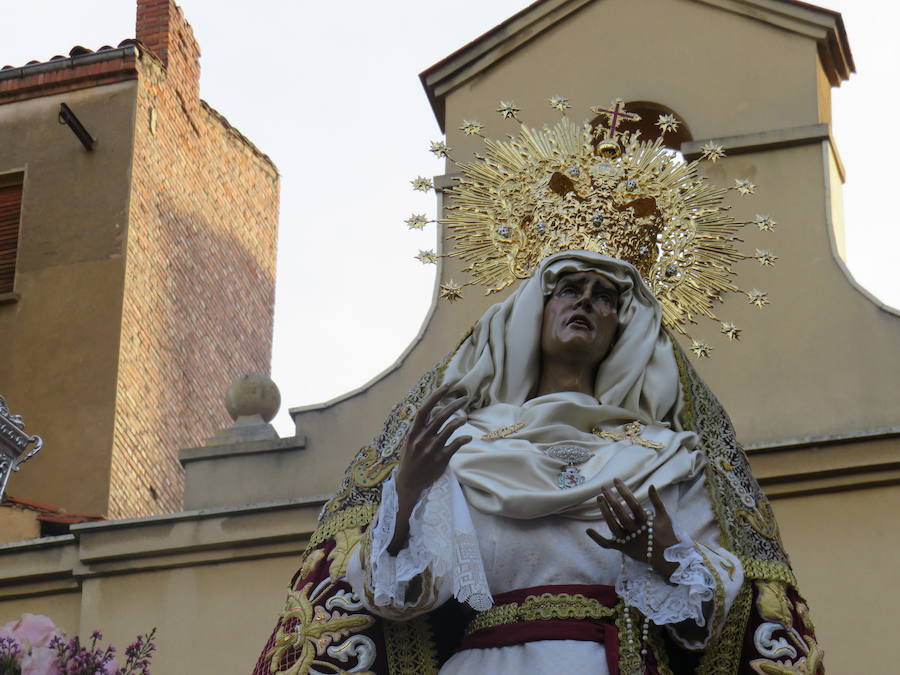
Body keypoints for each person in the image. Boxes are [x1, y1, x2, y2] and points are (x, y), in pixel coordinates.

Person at [252, 252, 823, 675]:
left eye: (605, 296)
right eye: (569, 288)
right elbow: (398, 598)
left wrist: (665, 554)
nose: (585, 302)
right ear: (535, 310)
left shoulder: (668, 455)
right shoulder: (464, 446)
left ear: (622, 327)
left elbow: (719, 603)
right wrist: (406, 491)